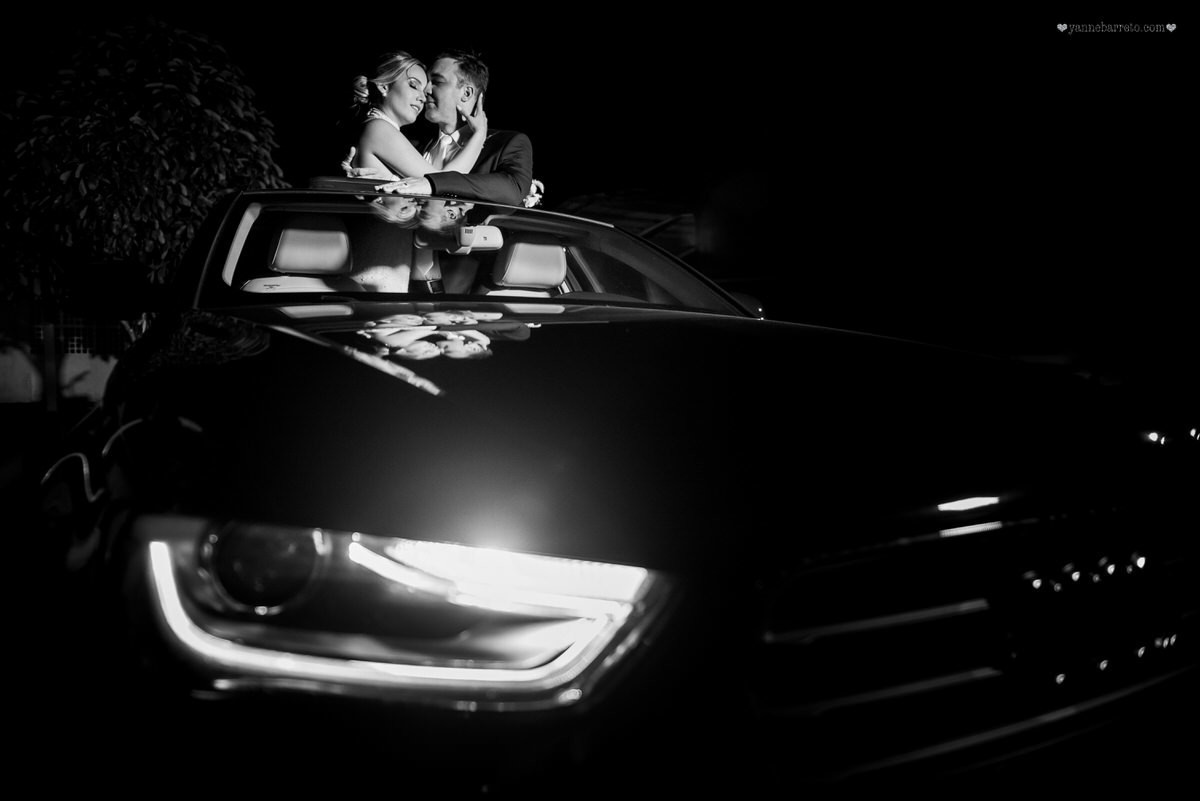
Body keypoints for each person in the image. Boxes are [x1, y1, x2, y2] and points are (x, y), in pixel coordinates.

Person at [346, 49, 533, 208]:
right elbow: (434, 186)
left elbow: (513, 189)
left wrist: (392, 182)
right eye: (417, 85)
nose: (425, 92)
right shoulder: (410, 142)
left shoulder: (507, 144)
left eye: (437, 81)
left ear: (467, 93)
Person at [348, 51, 488, 183]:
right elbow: (443, 183)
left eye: (437, 82)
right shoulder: (380, 128)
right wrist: (480, 134)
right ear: (384, 86)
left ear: (467, 93)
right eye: (413, 85)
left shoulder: (381, 129)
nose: (424, 96)